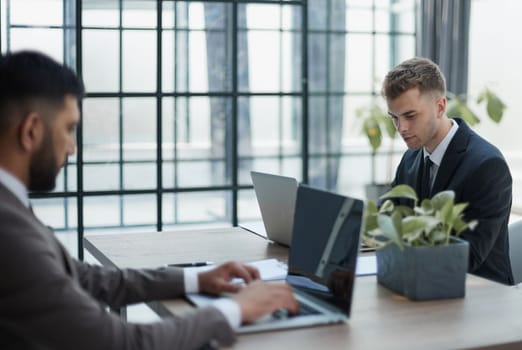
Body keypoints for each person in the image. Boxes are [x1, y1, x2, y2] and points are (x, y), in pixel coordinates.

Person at [0, 50, 298, 349]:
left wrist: (196, 279)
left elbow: (87, 280)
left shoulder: (11, 207)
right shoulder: (9, 233)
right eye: (69, 128)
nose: (72, 147)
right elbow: (124, 343)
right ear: (31, 131)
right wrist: (237, 309)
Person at [382, 57, 514, 285]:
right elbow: (392, 225)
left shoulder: (487, 167)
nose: (401, 128)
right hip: (423, 286)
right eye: (395, 118)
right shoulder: (411, 158)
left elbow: (467, 257)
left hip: (480, 298)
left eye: (410, 116)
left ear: (440, 107)